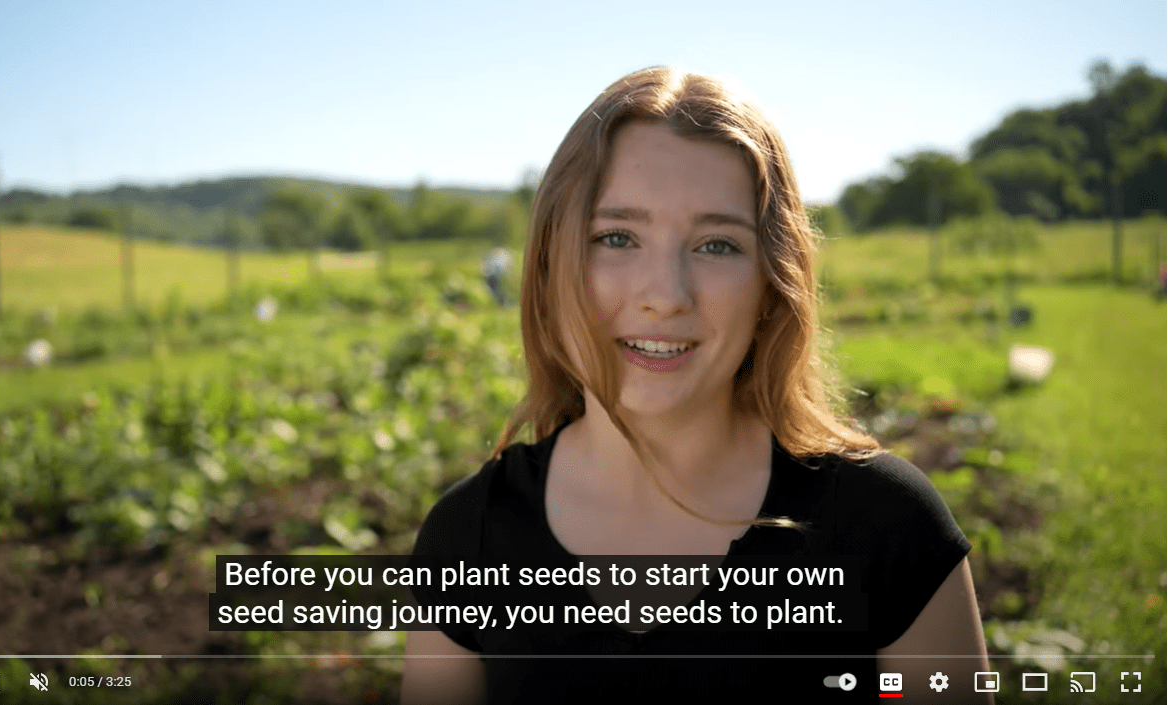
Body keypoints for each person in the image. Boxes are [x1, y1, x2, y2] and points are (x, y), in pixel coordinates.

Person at [402, 66, 991, 704]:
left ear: (773, 283)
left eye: (716, 245)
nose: (665, 295)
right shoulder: (466, 537)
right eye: (616, 237)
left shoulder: (889, 524)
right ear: (549, 266)